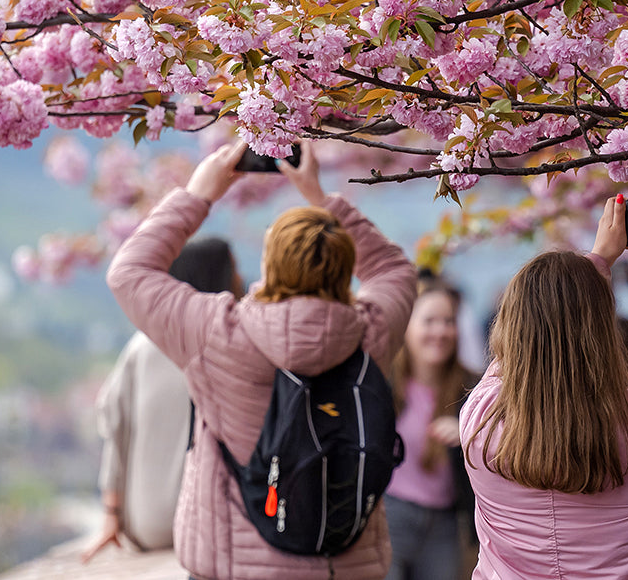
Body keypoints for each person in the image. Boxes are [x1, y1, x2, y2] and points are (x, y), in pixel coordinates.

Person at [106, 140, 418, 580]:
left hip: (237, 563)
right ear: (344, 264)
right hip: (342, 564)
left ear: (269, 266)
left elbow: (130, 272)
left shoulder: (216, 332)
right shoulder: (372, 332)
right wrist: (321, 198)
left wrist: (199, 194)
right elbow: (393, 270)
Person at [459, 195, 628, 580]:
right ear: (603, 332)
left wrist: (597, 261)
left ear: (511, 328)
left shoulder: (481, 421)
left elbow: (514, 355)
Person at [85, 237, 243, 562]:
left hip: (146, 525)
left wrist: (111, 515)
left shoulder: (141, 347)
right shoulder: (233, 343)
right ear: (218, 277)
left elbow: (115, 430)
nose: (242, 279)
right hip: (214, 524)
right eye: (235, 270)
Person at [384, 272, 480, 580]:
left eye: (448, 321)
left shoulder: (473, 390)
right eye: (430, 321)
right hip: (389, 517)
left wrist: (468, 435)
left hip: (445, 524)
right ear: (408, 326)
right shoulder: (384, 383)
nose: (441, 331)